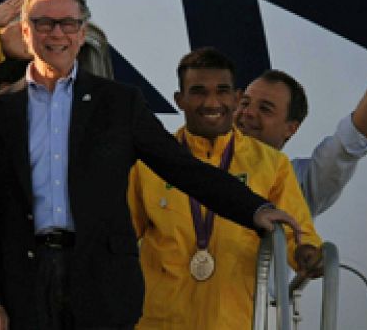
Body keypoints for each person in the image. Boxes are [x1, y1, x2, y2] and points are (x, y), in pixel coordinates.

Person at [0, 0, 305, 330]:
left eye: (68, 23)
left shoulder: (118, 103)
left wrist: (254, 209)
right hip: (24, 282)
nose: (57, 33)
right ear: (25, 32)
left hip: (101, 283)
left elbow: (183, 169)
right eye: (44, 23)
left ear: (82, 32)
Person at [127, 47, 321, 330]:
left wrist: (306, 253)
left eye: (222, 91)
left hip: (234, 321)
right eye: (198, 92)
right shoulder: (147, 161)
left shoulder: (272, 164)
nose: (212, 102)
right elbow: (119, 237)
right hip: (158, 322)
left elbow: (296, 233)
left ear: (236, 97)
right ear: (179, 100)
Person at [236, 23, 367, 215]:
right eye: (245, 103)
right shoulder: (196, 160)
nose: (249, 112)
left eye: (265, 108)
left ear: (291, 128)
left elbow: (351, 141)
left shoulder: (296, 183)